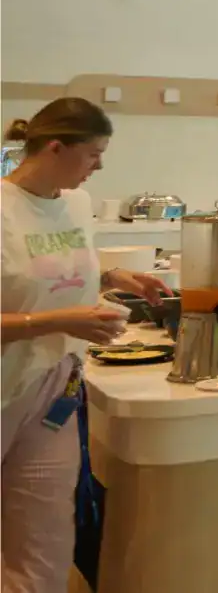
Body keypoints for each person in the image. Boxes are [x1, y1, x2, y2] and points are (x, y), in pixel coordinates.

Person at [2, 99, 167, 593]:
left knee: (46, 538)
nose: (99, 166)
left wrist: (116, 277)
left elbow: (59, 267)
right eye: (93, 154)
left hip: (53, 386)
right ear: (55, 148)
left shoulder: (75, 204)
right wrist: (57, 321)